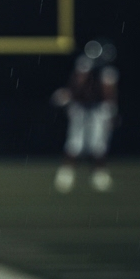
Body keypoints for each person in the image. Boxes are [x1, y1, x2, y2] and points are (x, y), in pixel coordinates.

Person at [51, 43, 119, 193]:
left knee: (98, 144)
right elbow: (77, 86)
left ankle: (99, 175)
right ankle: (66, 175)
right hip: (81, 107)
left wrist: (112, 112)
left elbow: (109, 93)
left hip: (98, 109)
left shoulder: (108, 71)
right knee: (75, 143)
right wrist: (68, 97)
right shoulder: (84, 65)